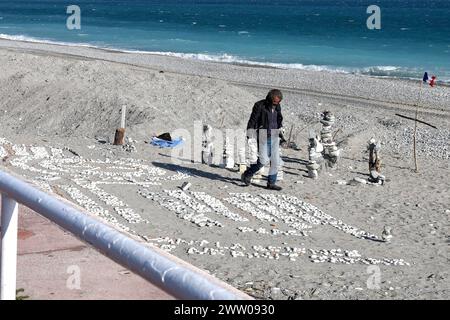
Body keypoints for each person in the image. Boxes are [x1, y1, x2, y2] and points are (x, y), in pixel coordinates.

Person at [241, 89, 284, 191]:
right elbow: (252, 120)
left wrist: (281, 133)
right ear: (269, 99)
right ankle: (247, 173)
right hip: (263, 135)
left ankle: (271, 183)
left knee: (275, 161)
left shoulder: (277, 106)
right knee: (263, 160)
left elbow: (278, 120)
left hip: (274, 135)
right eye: (275, 101)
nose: (277, 103)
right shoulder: (259, 105)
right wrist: (249, 134)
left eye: (278, 102)